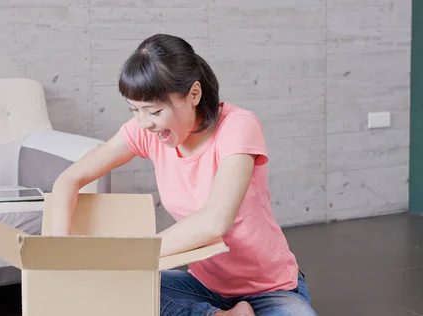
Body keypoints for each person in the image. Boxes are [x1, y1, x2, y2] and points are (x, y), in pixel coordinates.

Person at [49, 33, 318, 316]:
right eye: (135, 110)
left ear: (194, 94)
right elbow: (69, 179)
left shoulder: (238, 127)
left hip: (270, 289)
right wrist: (58, 250)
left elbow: (215, 222)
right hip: (202, 286)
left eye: (154, 111)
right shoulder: (144, 131)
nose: (144, 123)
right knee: (111, 286)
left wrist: (128, 254)